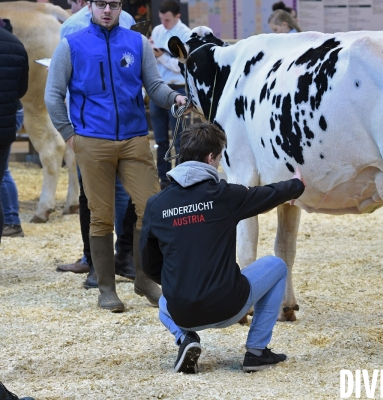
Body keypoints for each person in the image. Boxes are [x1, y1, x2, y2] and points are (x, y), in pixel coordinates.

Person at [45, 0, 188, 312]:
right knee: (101, 215)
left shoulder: (136, 42)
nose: (107, 10)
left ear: (121, 7)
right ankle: (106, 288)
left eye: (113, 4)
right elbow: (53, 94)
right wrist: (69, 134)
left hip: (135, 138)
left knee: (150, 208)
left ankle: (143, 278)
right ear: (91, 7)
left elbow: (154, 86)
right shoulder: (71, 45)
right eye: (100, 4)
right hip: (91, 140)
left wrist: (175, 97)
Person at [140, 122, 305, 373]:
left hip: (182, 312)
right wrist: (296, 185)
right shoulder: (224, 195)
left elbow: (149, 265)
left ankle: (186, 338)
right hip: (228, 307)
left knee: (165, 301)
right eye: (218, 158)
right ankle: (256, 351)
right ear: (209, 158)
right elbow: (267, 194)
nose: (218, 164)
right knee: (278, 266)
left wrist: (180, 283)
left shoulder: (156, 205)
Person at [55, 0, 137, 285]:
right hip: (119, 125)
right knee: (123, 194)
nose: (106, 10)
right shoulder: (125, 19)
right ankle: (123, 258)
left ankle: (94, 261)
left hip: (91, 126)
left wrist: (69, 131)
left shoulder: (71, 25)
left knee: (91, 196)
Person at [149, 0, 191, 189]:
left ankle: (179, 178)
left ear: (177, 17)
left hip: (179, 88)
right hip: (158, 88)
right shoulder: (157, 31)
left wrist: (161, 56)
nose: (163, 23)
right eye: (161, 19)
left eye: (167, 20)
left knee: (179, 138)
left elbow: (182, 65)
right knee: (159, 138)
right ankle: (164, 178)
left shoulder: (186, 34)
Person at [0, 17, 28, 247]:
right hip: (5, 126)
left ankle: (12, 218)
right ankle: (10, 219)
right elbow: (21, 89)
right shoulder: (16, 44)